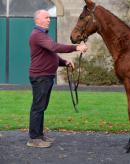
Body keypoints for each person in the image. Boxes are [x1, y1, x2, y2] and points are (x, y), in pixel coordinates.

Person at [27, 9, 88, 148]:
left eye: (49, 17)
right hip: (40, 76)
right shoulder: (37, 35)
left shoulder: (43, 35)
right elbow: (54, 47)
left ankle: (39, 135)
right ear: (38, 20)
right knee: (38, 107)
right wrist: (76, 47)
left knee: (41, 107)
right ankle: (33, 139)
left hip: (45, 76)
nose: (49, 19)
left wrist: (64, 62)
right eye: (46, 17)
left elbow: (51, 54)